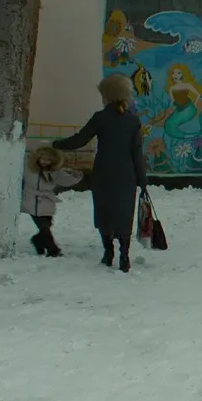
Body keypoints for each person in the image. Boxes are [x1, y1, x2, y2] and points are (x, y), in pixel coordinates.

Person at [53, 73, 148, 273]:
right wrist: (142, 180)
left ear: (107, 95)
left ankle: (108, 253)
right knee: (124, 213)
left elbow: (79, 140)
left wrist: (56, 144)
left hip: (103, 172)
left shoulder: (100, 118)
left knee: (104, 212)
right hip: (126, 174)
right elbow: (137, 152)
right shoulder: (132, 120)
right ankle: (124, 255)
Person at [21, 145, 83, 257]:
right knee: (44, 227)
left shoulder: (54, 172)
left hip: (47, 201)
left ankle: (37, 241)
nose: (45, 162)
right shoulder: (28, 167)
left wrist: (75, 174)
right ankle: (53, 250)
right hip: (31, 200)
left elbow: (66, 180)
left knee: (47, 225)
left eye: (48, 160)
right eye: (42, 159)